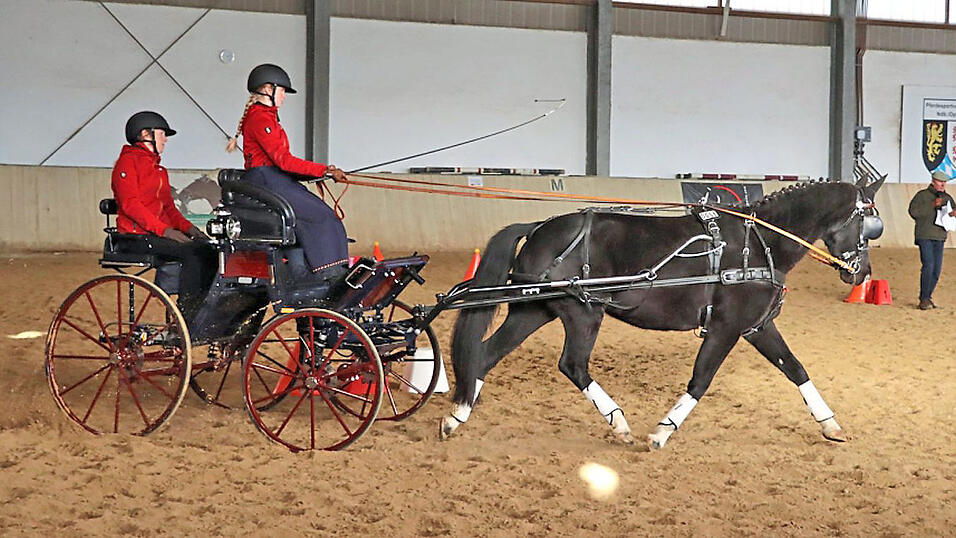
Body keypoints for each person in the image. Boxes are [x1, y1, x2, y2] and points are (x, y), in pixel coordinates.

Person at [226, 63, 349, 282]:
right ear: (267, 89)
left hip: (274, 178)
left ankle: (313, 271)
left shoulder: (267, 117)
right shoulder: (260, 118)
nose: (283, 96)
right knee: (322, 217)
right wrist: (324, 170)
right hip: (266, 179)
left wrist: (320, 173)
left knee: (323, 216)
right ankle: (328, 275)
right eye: (282, 91)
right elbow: (283, 160)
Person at [112, 111, 217, 317]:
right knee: (191, 253)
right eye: (162, 134)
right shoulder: (127, 163)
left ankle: (204, 304)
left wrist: (190, 229)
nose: (166, 139)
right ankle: (187, 311)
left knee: (209, 250)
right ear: (145, 134)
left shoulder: (160, 171)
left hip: (156, 233)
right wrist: (165, 231)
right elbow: (130, 204)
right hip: (135, 236)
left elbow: (169, 208)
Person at [908, 170, 956, 310]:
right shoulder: (922, 196)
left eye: (944, 183)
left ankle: (927, 296)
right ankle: (923, 298)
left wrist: (953, 213)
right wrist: (932, 205)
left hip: (940, 236)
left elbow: (952, 212)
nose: (942, 185)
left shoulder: (947, 198)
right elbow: (913, 212)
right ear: (933, 181)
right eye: (940, 182)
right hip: (925, 235)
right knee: (928, 266)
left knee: (936, 269)